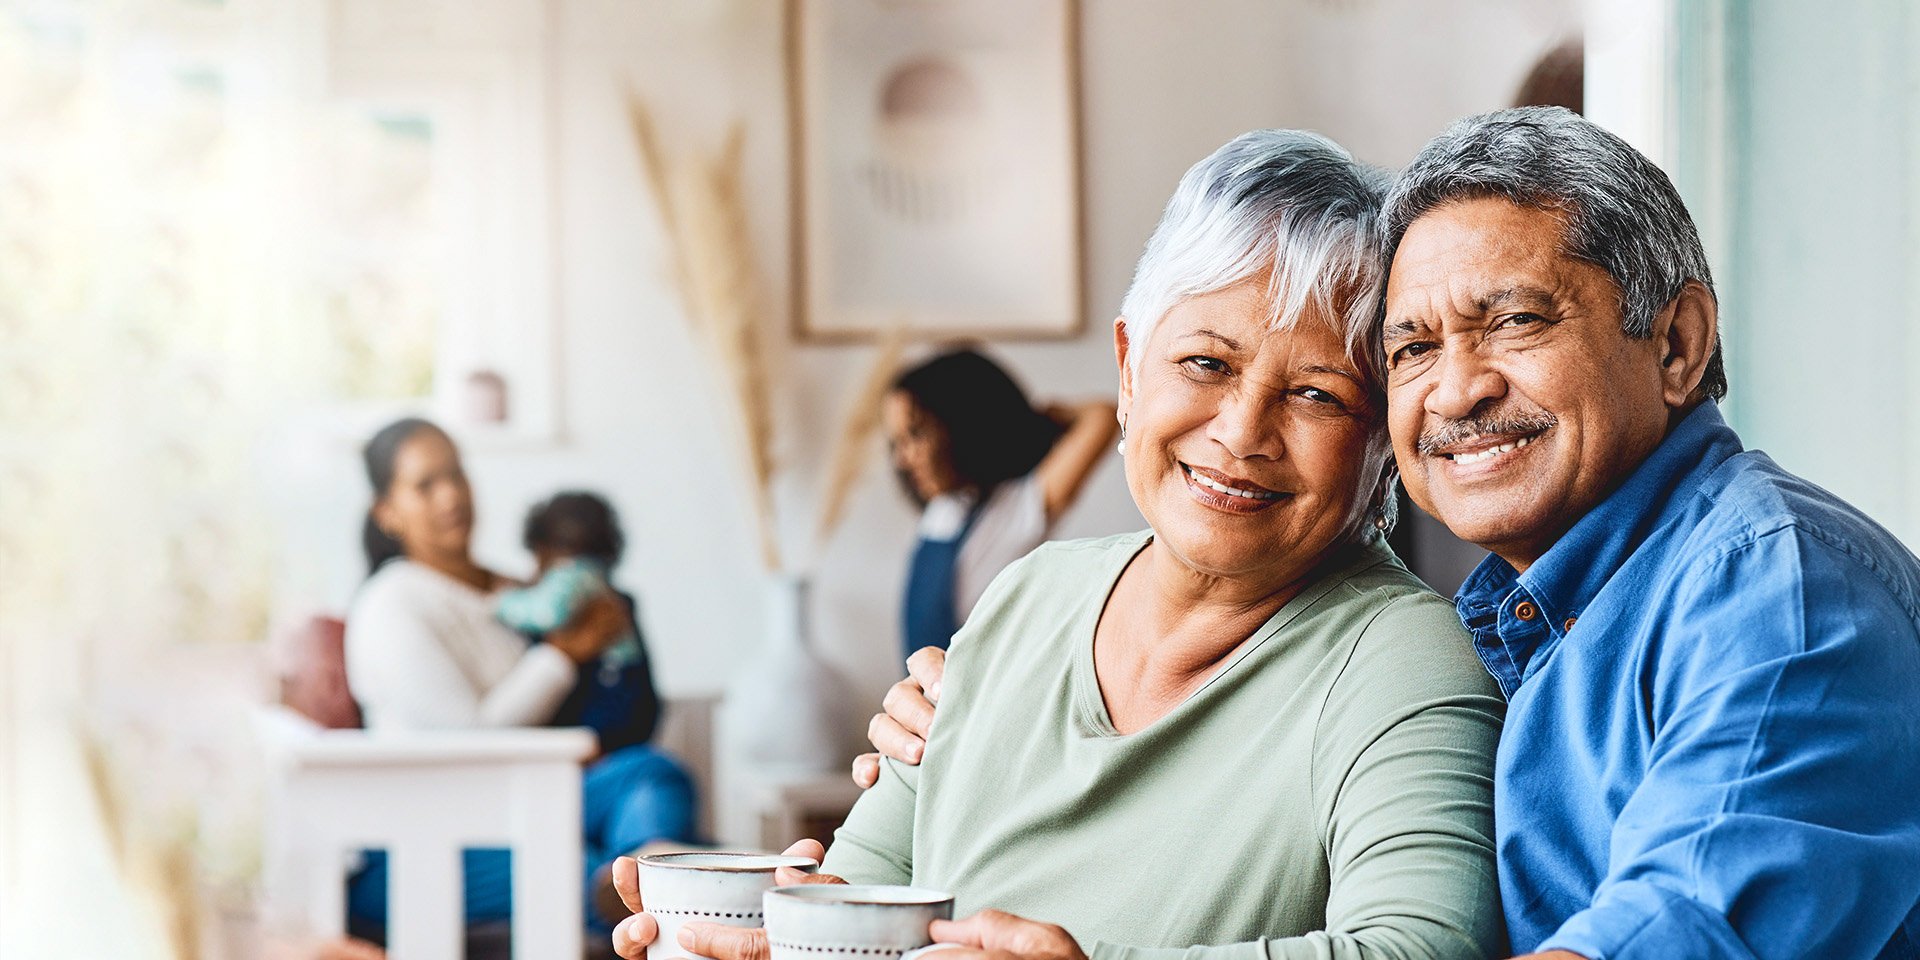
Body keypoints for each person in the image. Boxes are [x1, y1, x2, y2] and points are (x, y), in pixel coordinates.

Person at [862, 107, 1920, 960]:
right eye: (1412, 347)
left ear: (1679, 343)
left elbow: (1666, 935)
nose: (1457, 388)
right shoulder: (1548, 613)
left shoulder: (1776, 594)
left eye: (1514, 320)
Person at [612, 130, 1509, 960]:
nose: (1243, 432)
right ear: (1128, 370)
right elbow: (868, 901)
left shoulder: (1401, 655)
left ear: (1381, 437)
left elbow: (1421, 949)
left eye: (1318, 394)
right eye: (1206, 363)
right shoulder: (1027, 595)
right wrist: (761, 939)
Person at [343, 418, 696, 936]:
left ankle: (649, 878)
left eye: (457, 474)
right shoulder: (390, 603)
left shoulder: (513, 592)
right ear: (387, 512)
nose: (451, 496)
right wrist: (565, 654)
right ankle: (650, 890)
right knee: (580, 860)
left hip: (528, 801)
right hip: (433, 829)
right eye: (426, 485)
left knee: (654, 773)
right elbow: (470, 740)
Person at [885, 348, 1118, 658]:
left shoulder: (1019, 507)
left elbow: (1101, 417)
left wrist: (1039, 418)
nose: (902, 459)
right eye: (897, 442)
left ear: (959, 424)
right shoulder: (942, 510)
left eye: (916, 434)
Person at [503, 490, 661, 754]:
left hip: (599, 746)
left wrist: (501, 603)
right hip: (574, 750)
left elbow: (643, 709)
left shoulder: (567, 599)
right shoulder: (615, 601)